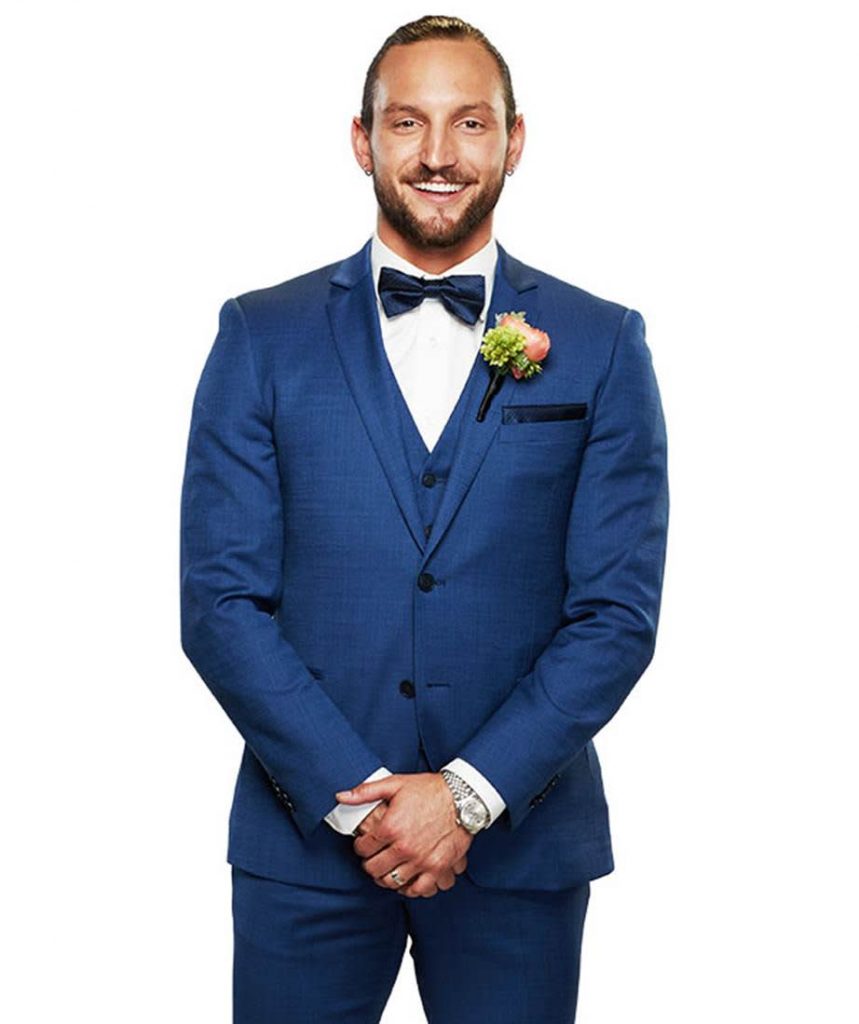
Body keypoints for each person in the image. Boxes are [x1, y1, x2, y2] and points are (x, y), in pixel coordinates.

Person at [180, 13, 669, 1024]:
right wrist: (358, 799)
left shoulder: (602, 343)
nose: (439, 154)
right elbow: (220, 603)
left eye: (470, 123)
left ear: (514, 141)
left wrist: (464, 795)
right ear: (362, 141)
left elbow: (616, 614)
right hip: (303, 849)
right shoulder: (259, 336)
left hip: (522, 845)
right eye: (407, 122)